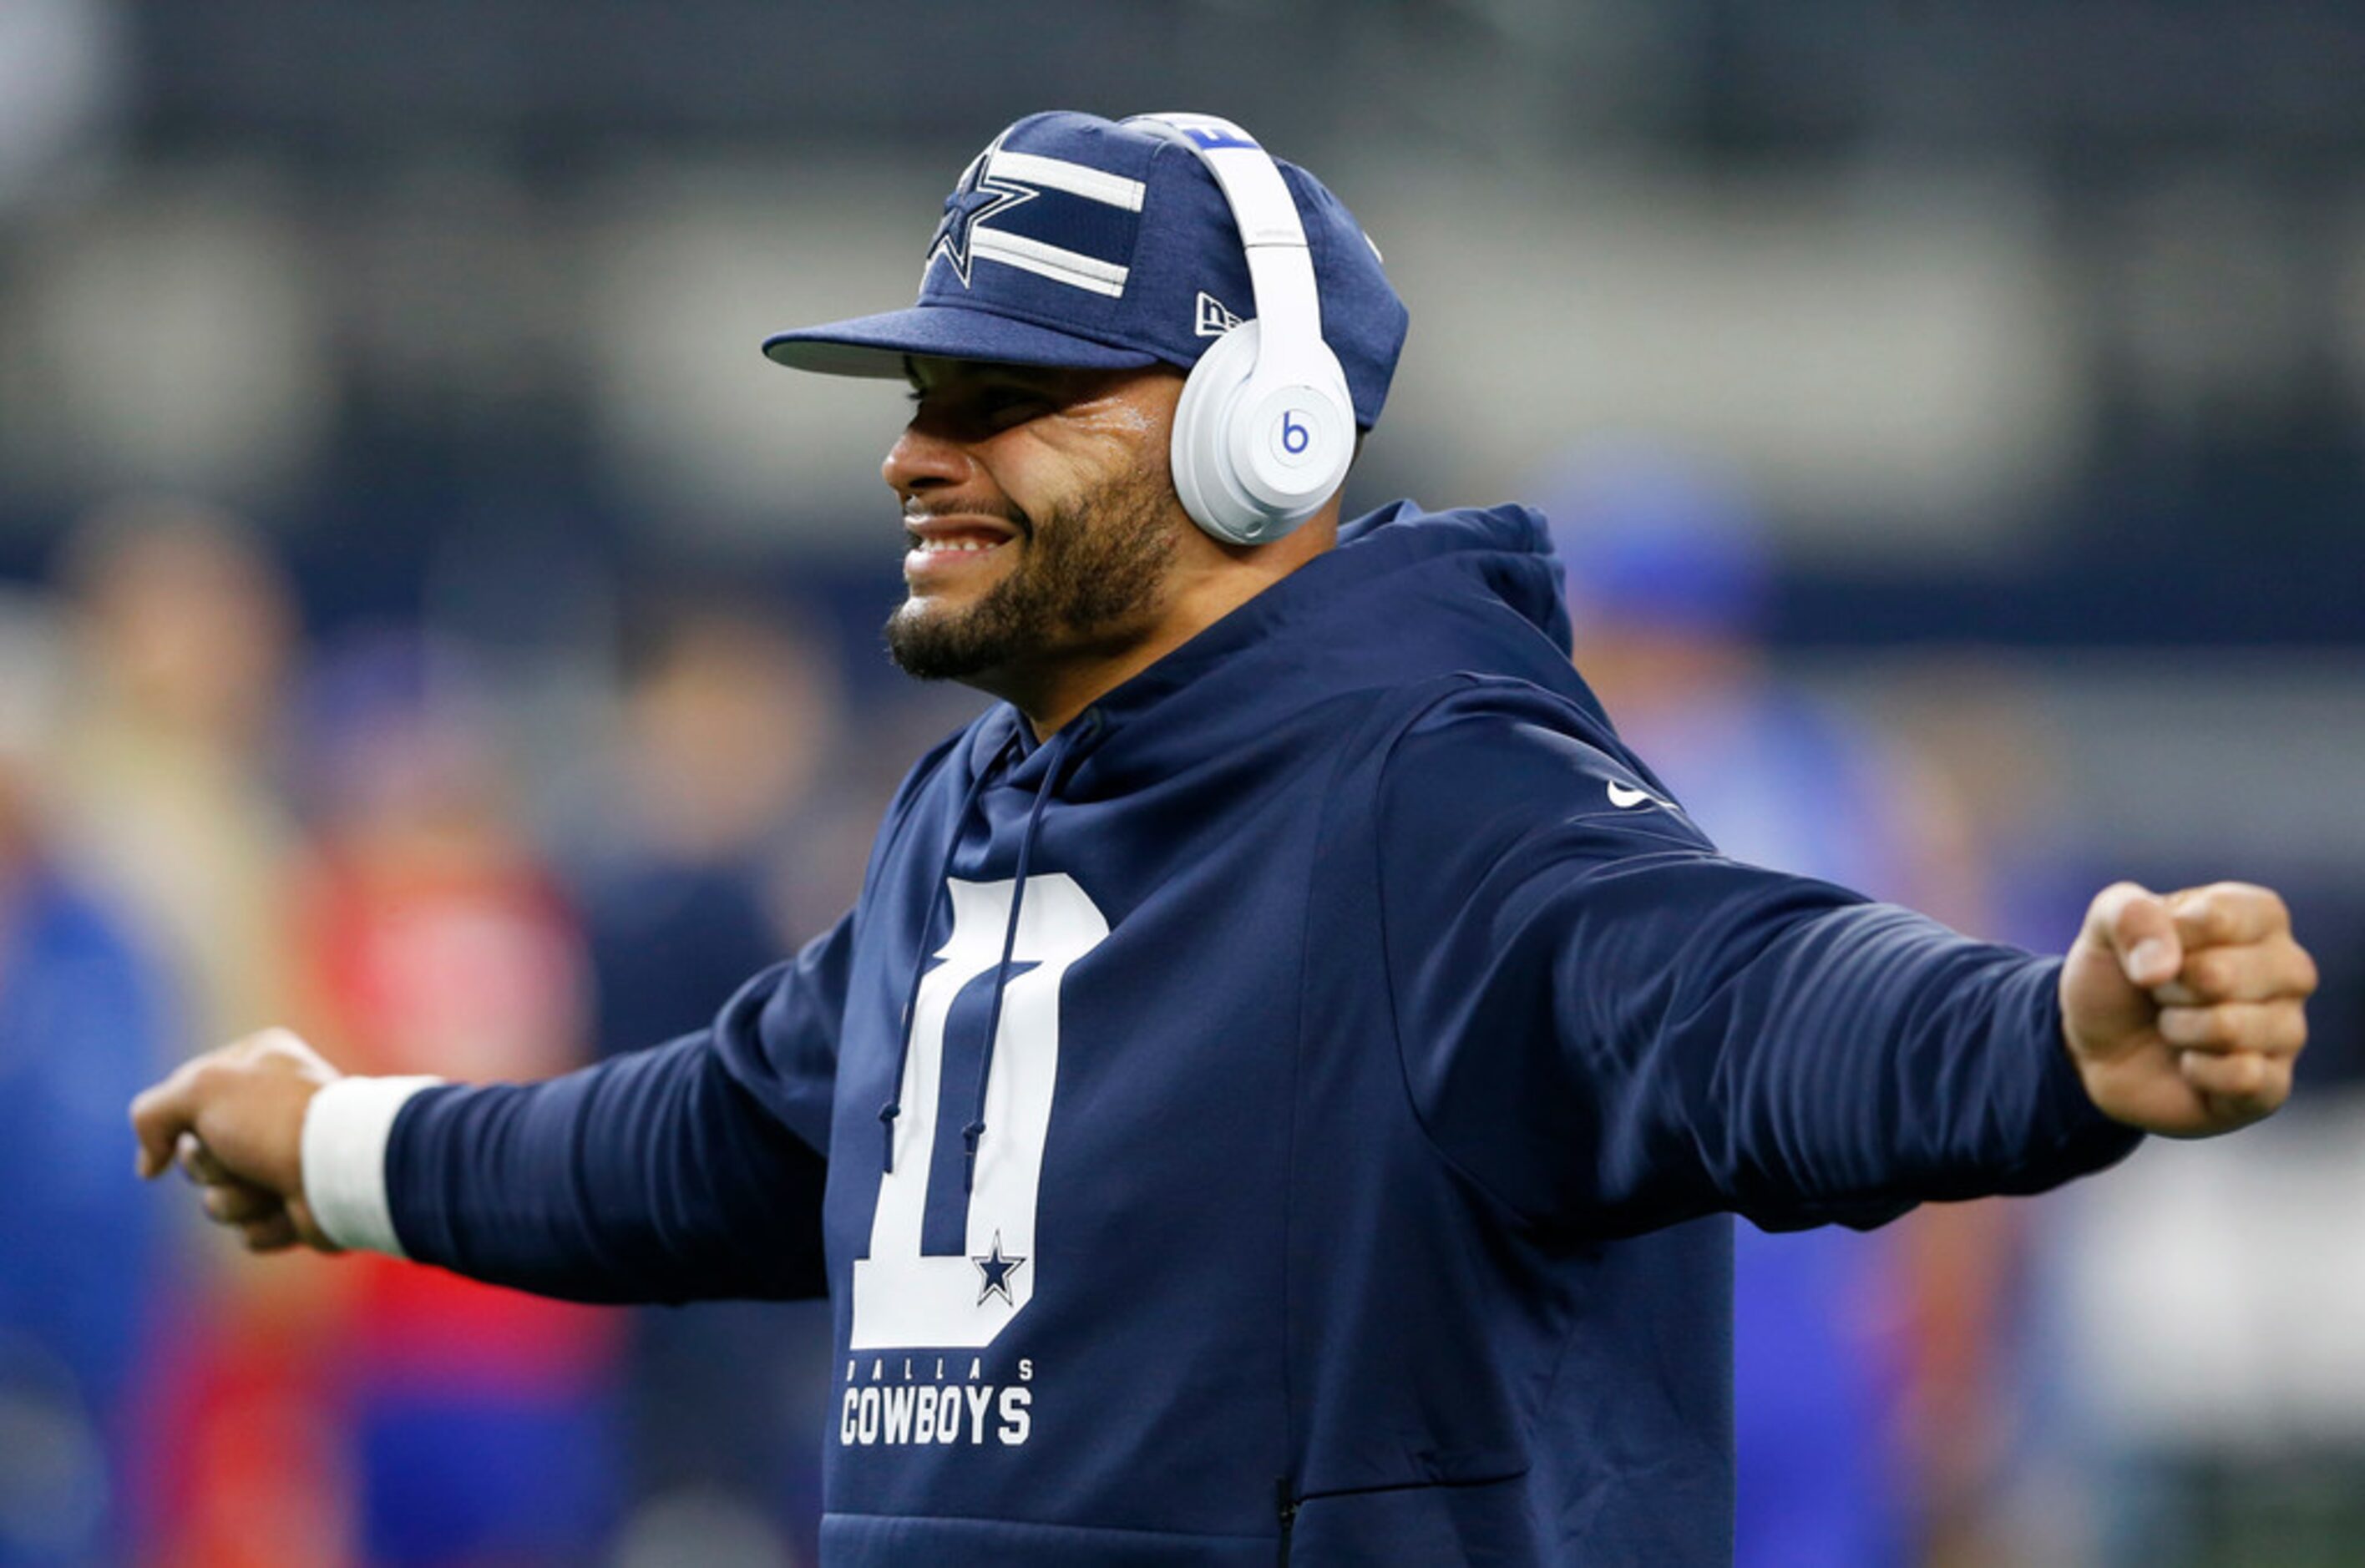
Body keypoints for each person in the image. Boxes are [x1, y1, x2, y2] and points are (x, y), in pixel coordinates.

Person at [130, 111, 2319, 1565]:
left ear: (1261, 437)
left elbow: (1732, 998)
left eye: (1002, 401)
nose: (915, 456)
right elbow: (727, 1144)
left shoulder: (1433, 788)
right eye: (919, 398)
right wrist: (335, 1148)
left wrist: (2045, 1042)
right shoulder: (975, 809)